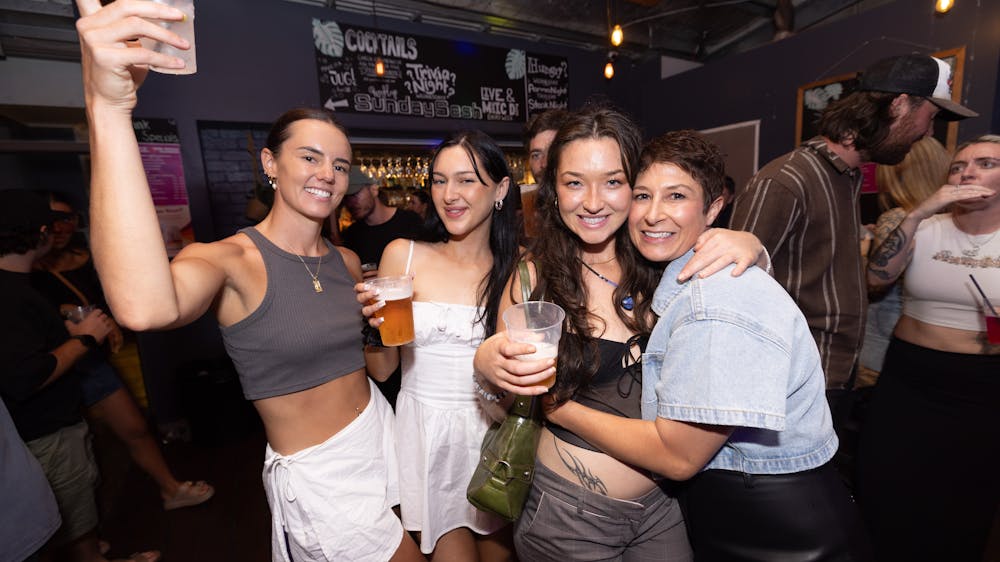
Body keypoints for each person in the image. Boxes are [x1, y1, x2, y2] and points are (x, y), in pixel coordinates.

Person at [74, 3, 422, 560]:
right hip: (319, 475)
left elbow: (378, 368)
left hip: (381, 437)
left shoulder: (349, 263)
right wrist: (109, 109)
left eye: (339, 165)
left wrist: (382, 326)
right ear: (269, 163)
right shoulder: (230, 259)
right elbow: (143, 307)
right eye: (309, 157)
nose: (327, 175)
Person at [539, 131, 870, 560]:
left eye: (676, 196)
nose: (653, 214)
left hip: (778, 531)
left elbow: (677, 457)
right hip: (750, 509)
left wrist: (558, 409)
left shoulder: (711, 304)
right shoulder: (680, 277)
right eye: (642, 195)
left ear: (713, 207)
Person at [473, 107, 765, 560]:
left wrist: (752, 245)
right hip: (567, 516)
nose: (593, 202)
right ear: (553, 192)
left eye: (612, 181)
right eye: (574, 183)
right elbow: (510, 410)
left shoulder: (665, 261)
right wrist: (489, 371)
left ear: (636, 186)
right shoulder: (533, 279)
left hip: (662, 507)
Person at [730, 53, 977, 396]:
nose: (928, 132)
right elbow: (733, 291)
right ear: (899, 105)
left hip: (832, 375)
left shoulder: (847, 178)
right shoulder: (787, 180)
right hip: (791, 382)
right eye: (930, 116)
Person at [358, 130, 519, 560]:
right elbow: (383, 370)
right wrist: (371, 326)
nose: (450, 194)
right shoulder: (404, 255)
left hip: (491, 436)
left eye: (466, 180)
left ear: (500, 189)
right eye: (440, 179)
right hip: (425, 436)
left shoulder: (519, 269)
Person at [859, 135, 1000, 562]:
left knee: (964, 500)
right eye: (958, 166)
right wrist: (921, 211)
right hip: (909, 378)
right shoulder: (924, 227)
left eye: (986, 163)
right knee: (885, 485)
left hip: (982, 387)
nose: (967, 172)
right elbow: (876, 279)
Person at [0, 189, 159, 562]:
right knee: (74, 512)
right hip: (47, 431)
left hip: (46, 427)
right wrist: (87, 336)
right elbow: (26, 377)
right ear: (38, 232)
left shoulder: (19, 287)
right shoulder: (9, 296)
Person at [32, 192, 215, 512]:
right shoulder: (27, 267)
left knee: (133, 428)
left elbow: (114, 300)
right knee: (78, 447)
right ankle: (85, 535)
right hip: (52, 365)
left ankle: (170, 490)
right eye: (51, 220)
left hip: (91, 361)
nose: (59, 227)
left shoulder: (86, 258)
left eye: (66, 219)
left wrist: (109, 320)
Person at [857, 137, 950, 381]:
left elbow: (873, 287)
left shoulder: (898, 218)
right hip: (935, 347)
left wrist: (865, 250)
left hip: (882, 348)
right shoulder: (952, 221)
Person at [342, 168, 423, 276]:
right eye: (346, 198)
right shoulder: (352, 235)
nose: (351, 203)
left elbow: (428, 265)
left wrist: (387, 276)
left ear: (374, 190)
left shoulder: (411, 221)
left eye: (355, 194)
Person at [520, 109, 571, 239]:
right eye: (536, 155)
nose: (544, 163)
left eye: (552, 152)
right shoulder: (520, 222)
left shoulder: (586, 212)